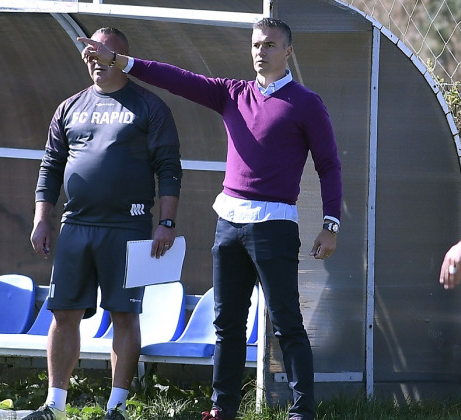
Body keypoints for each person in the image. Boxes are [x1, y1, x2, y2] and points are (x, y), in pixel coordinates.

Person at [79, 17, 342, 420]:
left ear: (287, 51)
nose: (261, 51)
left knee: (286, 322)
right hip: (229, 223)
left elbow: (329, 165)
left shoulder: (306, 103)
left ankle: (301, 410)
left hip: (274, 225)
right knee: (227, 325)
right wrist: (119, 60)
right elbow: (175, 78)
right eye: (256, 44)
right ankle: (222, 408)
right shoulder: (231, 93)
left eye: (270, 45)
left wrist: (330, 223)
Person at [27, 27, 182, 420]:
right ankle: (55, 405)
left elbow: (169, 167)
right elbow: (50, 167)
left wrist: (166, 221)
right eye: (89, 54)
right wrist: (42, 219)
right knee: (63, 314)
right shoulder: (70, 107)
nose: (94, 60)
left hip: (128, 228)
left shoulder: (149, 106)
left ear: (121, 58)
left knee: (125, 315)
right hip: (77, 225)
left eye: (102, 53)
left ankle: (117, 408)